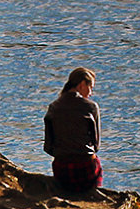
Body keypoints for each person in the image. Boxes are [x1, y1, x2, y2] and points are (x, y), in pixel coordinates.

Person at [43, 67, 102, 195]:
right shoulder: (91, 107)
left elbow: (48, 147)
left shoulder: (53, 107)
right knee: (94, 160)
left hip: (62, 171)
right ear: (81, 85)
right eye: (90, 87)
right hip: (86, 171)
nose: (91, 93)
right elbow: (96, 145)